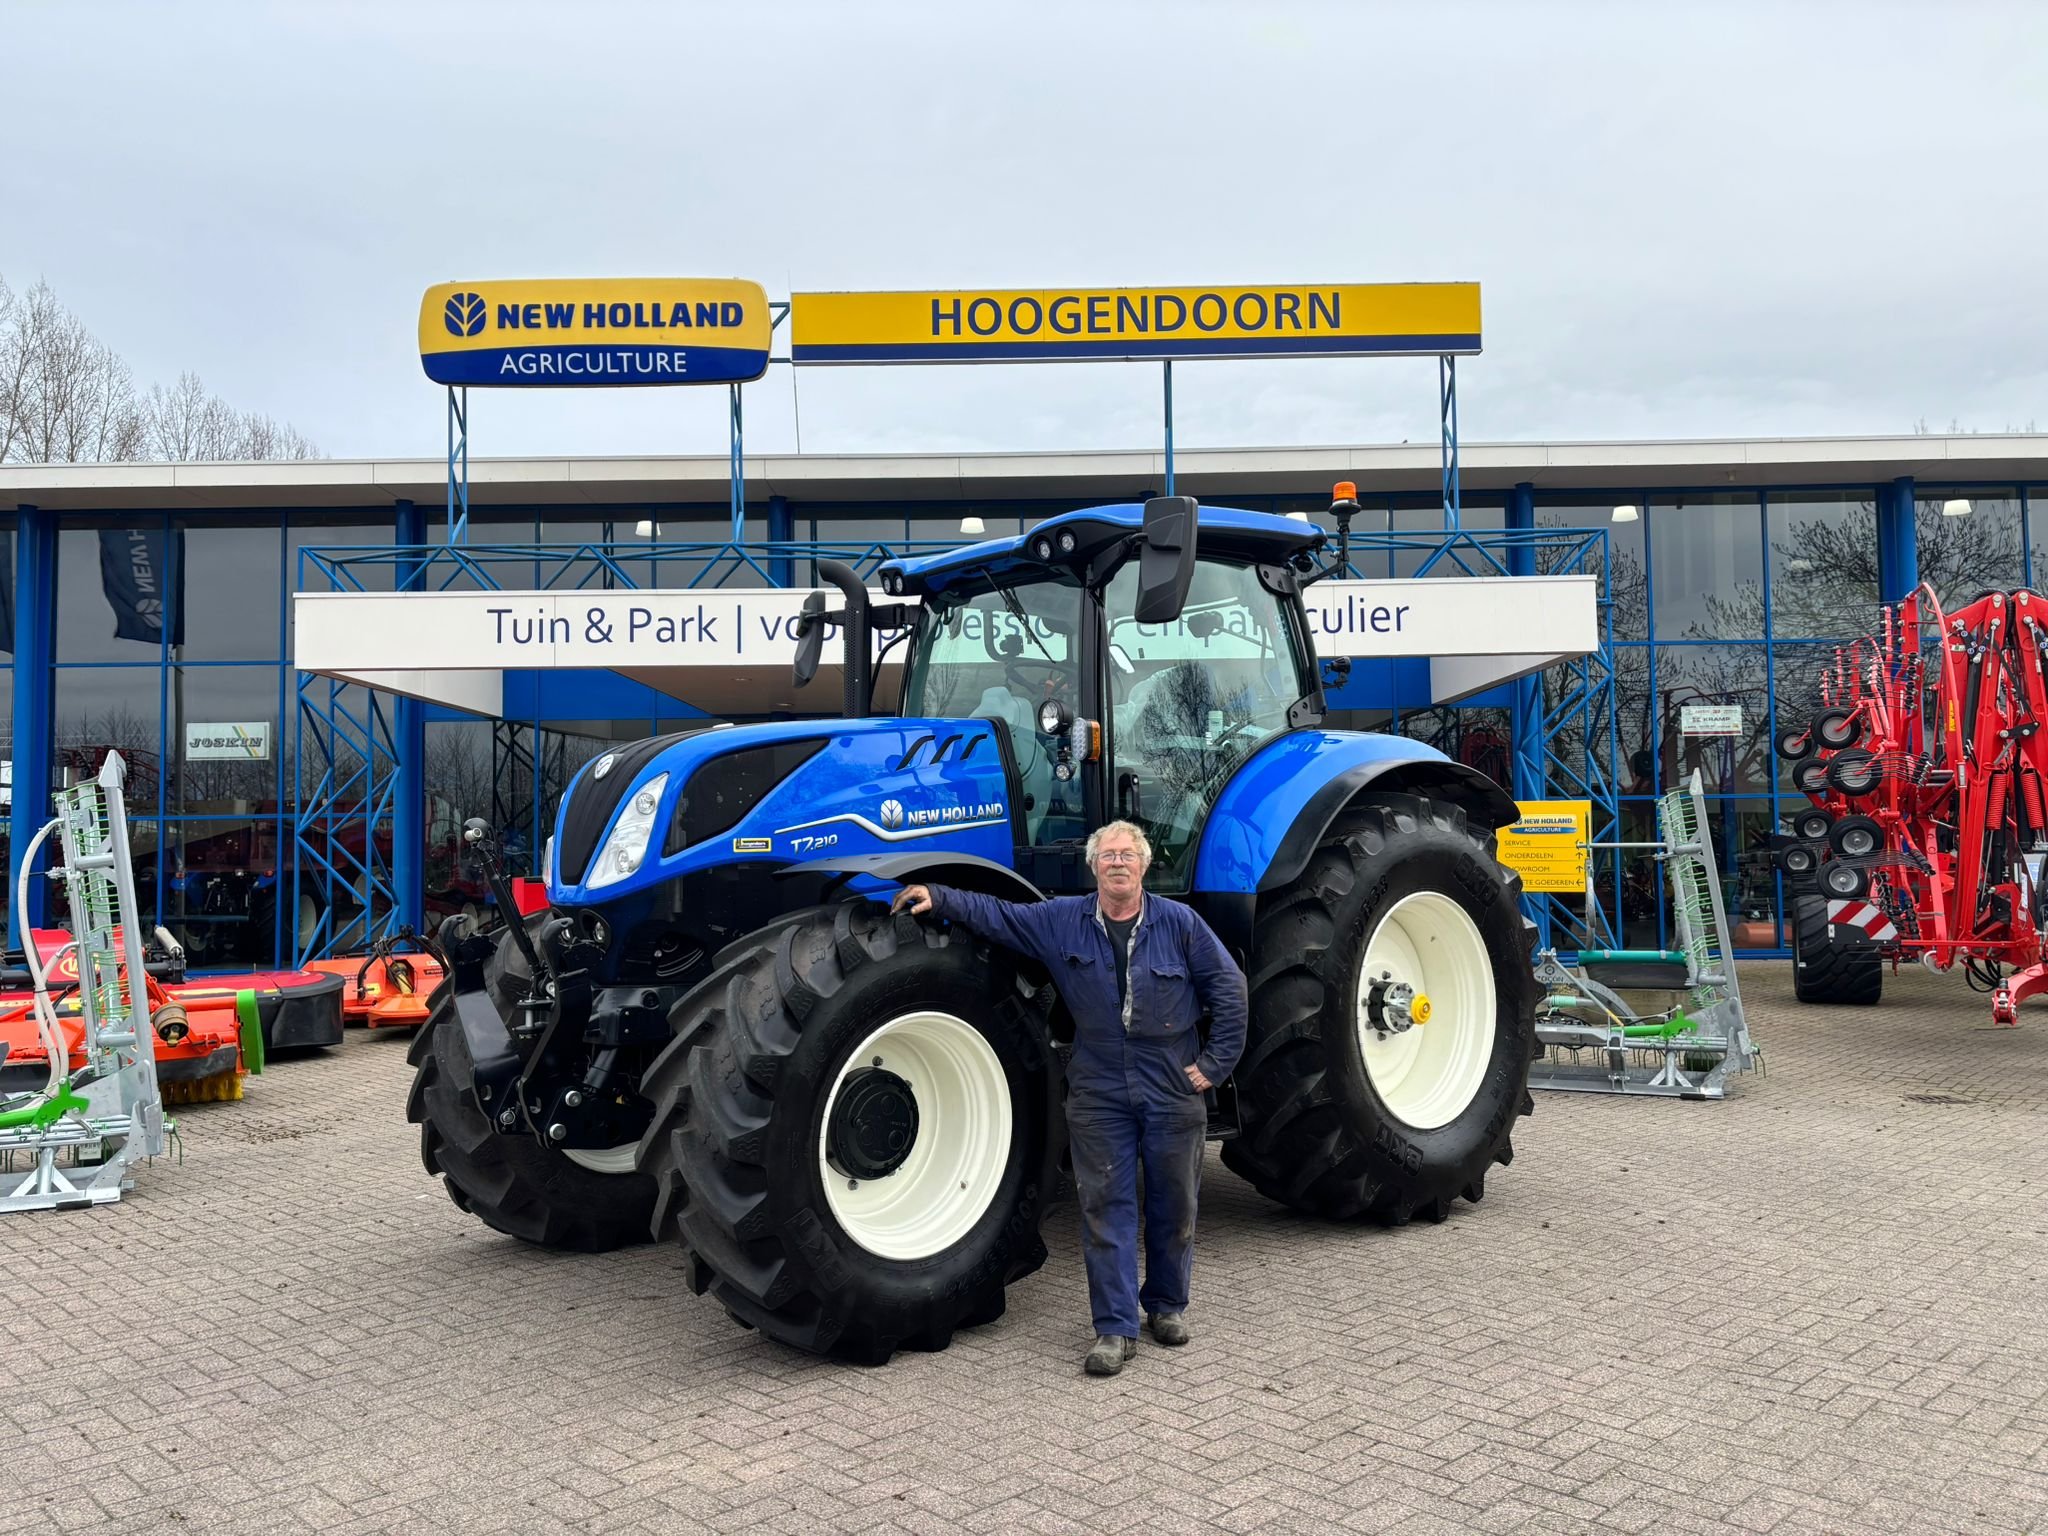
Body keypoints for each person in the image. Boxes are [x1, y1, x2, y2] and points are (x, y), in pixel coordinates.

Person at [892, 821, 1247, 1377]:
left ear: (1145, 865)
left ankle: (1167, 1306)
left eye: (1128, 854)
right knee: (1105, 1206)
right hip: (1099, 1080)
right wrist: (942, 897)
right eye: (1108, 855)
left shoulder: (1181, 924)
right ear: (1094, 866)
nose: (1118, 863)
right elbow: (1001, 917)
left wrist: (1213, 1066)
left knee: (1174, 1202)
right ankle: (1114, 1327)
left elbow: (1229, 989)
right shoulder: (1063, 921)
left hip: (1170, 1080)